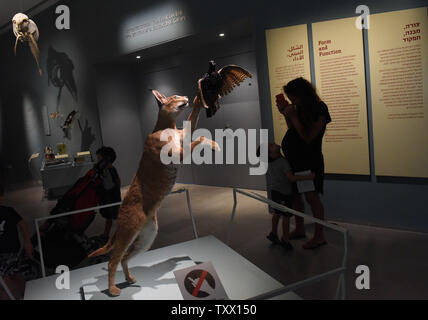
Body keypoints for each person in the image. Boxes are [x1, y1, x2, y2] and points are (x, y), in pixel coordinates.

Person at [276, 77, 331, 250]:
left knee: (311, 197)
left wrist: (293, 115)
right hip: (294, 160)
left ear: (303, 94)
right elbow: (293, 130)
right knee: (296, 196)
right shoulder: (299, 109)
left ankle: (319, 236)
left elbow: (308, 138)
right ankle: (299, 228)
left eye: (294, 97)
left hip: (309, 160)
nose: (292, 101)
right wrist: (287, 115)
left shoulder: (320, 108)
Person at [264, 143, 316, 251]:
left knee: (277, 213)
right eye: (271, 145)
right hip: (284, 193)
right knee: (286, 216)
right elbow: (291, 178)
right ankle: (285, 240)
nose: (273, 143)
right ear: (271, 153)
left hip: (275, 192)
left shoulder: (270, 162)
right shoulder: (283, 162)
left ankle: (273, 233)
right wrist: (308, 177)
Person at [0, 184, 33, 300]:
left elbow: (23, 225)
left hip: (10, 252)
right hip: (4, 255)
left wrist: (27, 242)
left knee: (14, 275)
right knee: (6, 280)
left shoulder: (8, 212)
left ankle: (25, 295)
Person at [95, 147, 121, 241]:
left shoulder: (107, 170)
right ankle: (106, 235)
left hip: (110, 198)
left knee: (112, 216)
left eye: (99, 159)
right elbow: (118, 181)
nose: (98, 161)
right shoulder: (111, 168)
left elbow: (108, 186)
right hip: (113, 197)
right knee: (110, 217)